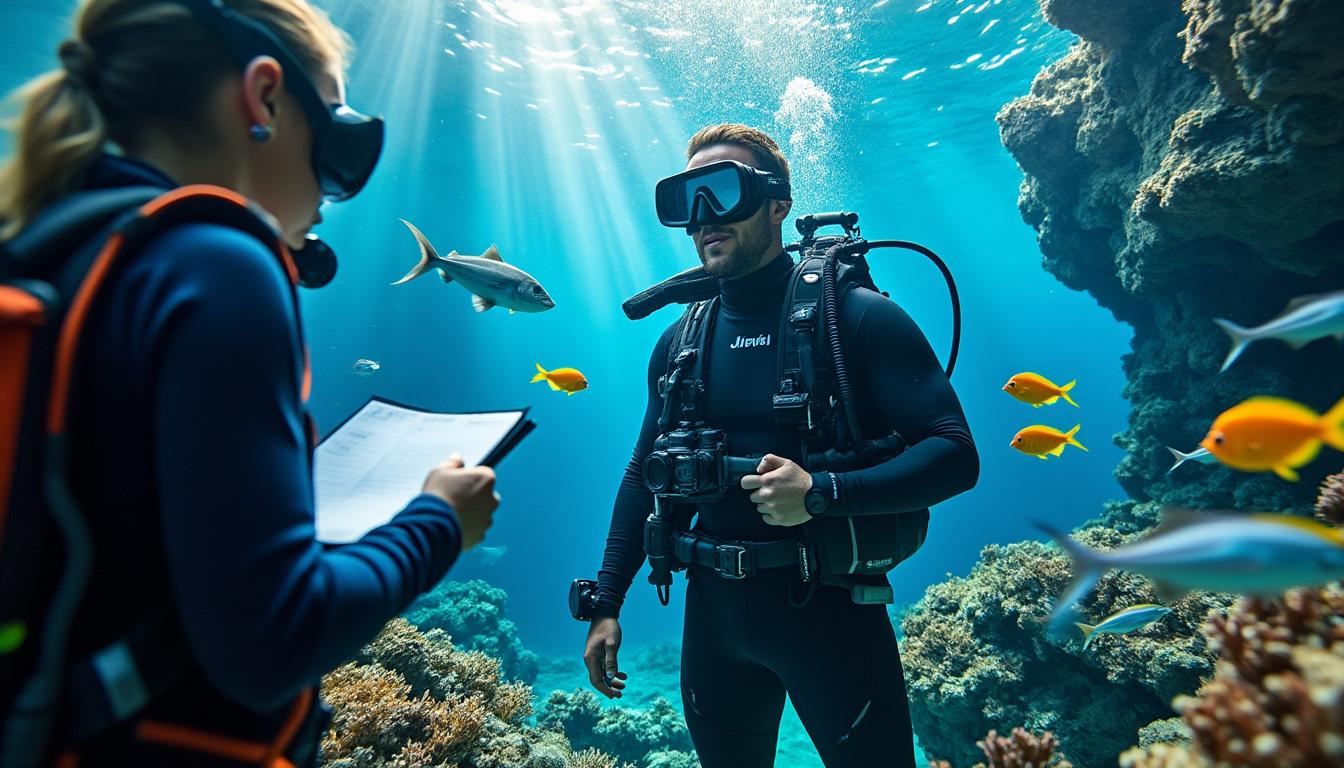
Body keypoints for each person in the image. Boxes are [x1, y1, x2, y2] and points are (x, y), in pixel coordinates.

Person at [0, 1, 497, 764]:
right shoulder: (218, 266)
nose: (334, 191)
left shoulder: (50, 246)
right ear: (265, 97)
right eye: (339, 140)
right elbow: (271, 642)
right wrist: (436, 523)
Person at [581, 125, 979, 768]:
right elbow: (641, 476)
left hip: (830, 615)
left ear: (777, 203)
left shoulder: (857, 318)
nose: (703, 217)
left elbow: (956, 453)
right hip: (711, 620)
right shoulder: (679, 344)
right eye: (687, 198)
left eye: (723, 189)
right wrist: (606, 604)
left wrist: (822, 493)